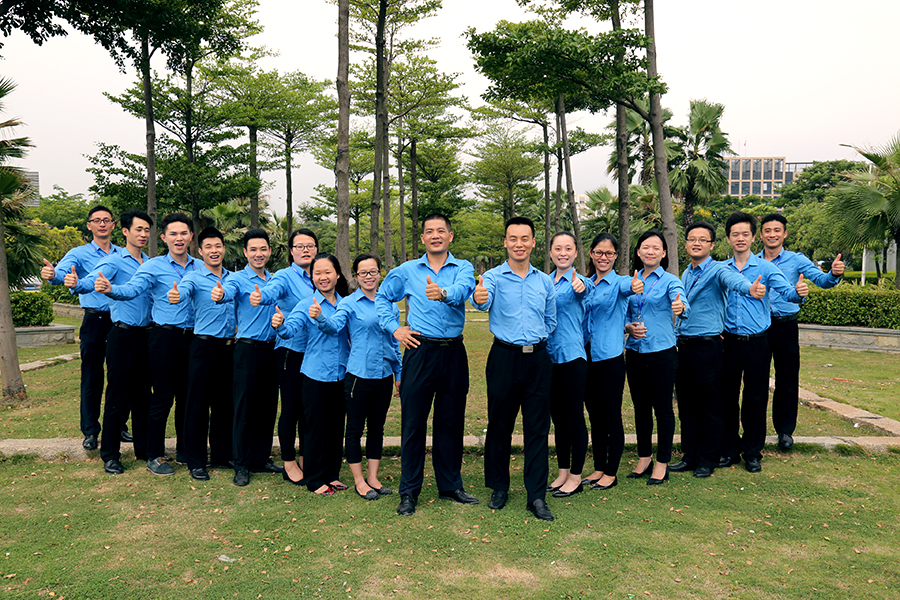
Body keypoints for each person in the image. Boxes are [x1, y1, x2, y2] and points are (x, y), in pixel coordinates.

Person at [375, 214, 477, 517]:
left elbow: (463, 290)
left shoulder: (463, 268)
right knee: (413, 423)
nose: (435, 235)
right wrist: (395, 328)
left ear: (450, 236)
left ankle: (450, 485)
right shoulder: (407, 271)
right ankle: (409, 491)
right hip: (420, 351)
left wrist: (443, 293)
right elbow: (382, 297)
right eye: (429, 231)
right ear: (422, 238)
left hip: (453, 352)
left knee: (450, 422)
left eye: (441, 231)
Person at [97, 212, 197, 476]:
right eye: (173, 233)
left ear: (191, 236)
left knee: (170, 397)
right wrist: (110, 289)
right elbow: (132, 289)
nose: (179, 238)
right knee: (137, 397)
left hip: (182, 338)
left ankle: (167, 450)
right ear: (164, 237)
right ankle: (120, 454)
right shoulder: (152, 266)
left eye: (183, 233)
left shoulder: (199, 267)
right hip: (152, 337)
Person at [473, 216, 557, 521]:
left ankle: (536, 495)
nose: (519, 244)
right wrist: (478, 298)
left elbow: (551, 320)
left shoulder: (544, 281)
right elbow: (482, 301)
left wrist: (537, 340)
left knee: (538, 428)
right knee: (500, 425)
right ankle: (499, 486)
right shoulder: (493, 278)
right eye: (513, 238)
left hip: (538, 359)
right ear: (505, 242)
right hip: (504, 358)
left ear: (533, 242)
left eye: (525, 238)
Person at [672, 222, 762, 478]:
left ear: (712, 245)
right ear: (686, 244)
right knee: (687, 405)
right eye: (692, 239)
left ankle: (708, 458)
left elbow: (734, 281)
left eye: (703, 239)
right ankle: (690, 455)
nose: (696, 243)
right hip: (684, 345)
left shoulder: (718, 269)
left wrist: (749, 288)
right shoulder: (687, 273)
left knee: (709, 405)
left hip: (707, 347)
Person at [67, 209, 152, 473]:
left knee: (143, 396)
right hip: (122, 334)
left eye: (147, 230)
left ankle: (144, 450)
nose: (143, 234)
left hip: (146, 335)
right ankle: (110, 455)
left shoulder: (150, 263)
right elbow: (93, 280)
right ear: (125, 231)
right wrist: (77, 284)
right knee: (117, 394)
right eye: (138, 229)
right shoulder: (114, 261)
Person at [721, 212, 805, 473]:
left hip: (758, 342)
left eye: (745, 234)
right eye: (735, 234)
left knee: (755, 398)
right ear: (728, 238)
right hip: (728, 342)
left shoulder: (766, 268)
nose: (740, 238)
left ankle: (752, 452)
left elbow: (787, 292)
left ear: (753, 237)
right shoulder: (721, 269)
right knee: (727, 397)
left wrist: (798, 293)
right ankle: (729, 449)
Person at [312, 253, 401, 500]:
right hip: (359, 377)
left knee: (377, 428)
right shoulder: (349, 303)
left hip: (384, 375)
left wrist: (399, 372)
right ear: (356, 276)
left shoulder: (391, 304)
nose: (368, 276)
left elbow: (394, 343)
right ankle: (359, 481)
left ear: (380, 273)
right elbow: (333, 327)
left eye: (373, 271)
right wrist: (320, 317)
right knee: (354, 430)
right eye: (363, 272)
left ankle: (373, 478)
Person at [40, 204, 123, 451]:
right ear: (89, 225)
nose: (102, 224)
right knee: (92, 376)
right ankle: (90, 430)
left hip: (120, 321)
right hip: (95, 320)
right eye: (97, 220)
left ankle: (118, 425)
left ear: (113, 225)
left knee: (120, 376)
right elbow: (62, 274)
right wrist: (53, 275)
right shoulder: (79, 253)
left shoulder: (122, 254)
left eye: (106, 220)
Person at [758, 213, 843, 450]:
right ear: (761, 235)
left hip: (785, 326)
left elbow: (822, 281)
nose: (772, 234)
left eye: (777, 230)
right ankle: (756, 432)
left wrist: (834, 274)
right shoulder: (753, 262)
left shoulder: (797, 260)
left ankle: (785, 431)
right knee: (757, 380)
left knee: (787, 378)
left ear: (785, 234)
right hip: (759, 327)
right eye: (767, 230)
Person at [273, 252, 350, 495]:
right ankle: (315, 479)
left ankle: (332, 474)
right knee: (315, 428)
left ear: (338, 275)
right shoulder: (307, 304)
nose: (323, 277)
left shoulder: (346, 303)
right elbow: (290, 330)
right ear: (312, 277)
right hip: (315, 373)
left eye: (328, 272)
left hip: (341, 373)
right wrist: (280, 325)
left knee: (336, 427)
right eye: (317, 273)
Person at [212, 228, 281, 487]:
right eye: (253, 249)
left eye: (263, 249)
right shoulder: (237, 279)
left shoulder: (275, 279)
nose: (258, 254)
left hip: (272, 349)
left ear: (269, 251)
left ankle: (261, 458)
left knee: (267, 407)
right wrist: (220, 295)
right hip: (248, 350)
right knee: (244, 408)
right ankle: (241, 463)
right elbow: (227, 292)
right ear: (245, 252)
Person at [249, 229, 318, 485]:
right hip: (291, 350)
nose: (305, 250)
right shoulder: (284, 276)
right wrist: (261, 296)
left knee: (308, 408)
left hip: (315, 353)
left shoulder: (320, 275)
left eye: (310, 245)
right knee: (291, 408)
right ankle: (289, 462)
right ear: (291, 251)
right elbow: (271, 291)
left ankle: (305, 458)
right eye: (299, 246)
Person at [168, 227, 236, 481]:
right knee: (197, 406)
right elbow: (183, 290)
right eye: (208, 247)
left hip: (230, 349)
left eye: (218, 246)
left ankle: (221, 454)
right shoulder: (194, 277)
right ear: (200, 251)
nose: (214, 251)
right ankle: (195, 461)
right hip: (204, 348)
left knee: (224, 405)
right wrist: (176, 295)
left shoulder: (233, 278)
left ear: (223, 248)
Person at [624, 229, 689, 486]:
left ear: (663, 253)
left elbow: (680, 299)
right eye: (645, 247)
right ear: (638, 252)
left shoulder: (670, 281)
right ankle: (644, 458)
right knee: (640, 408)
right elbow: (625, 313)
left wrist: (680, 306)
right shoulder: (631, 281)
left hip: (662, 353)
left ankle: (662, 462)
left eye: (655, 248)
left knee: (662, 408)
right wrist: (628, 327)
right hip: (635, 353)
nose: (650, 251)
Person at [581, 233, 640, 491]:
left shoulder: (620, 283)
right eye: (599, 252)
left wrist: (636, 285)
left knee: (611, 416)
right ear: (591, 253)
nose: (603, 257)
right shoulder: (585, 283)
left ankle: (611, 472)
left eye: (609, 253)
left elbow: (630, 287)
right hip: (586, 358)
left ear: (616, 256)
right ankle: (598, 467)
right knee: (595, 416)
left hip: (610, 359)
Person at [545, 232, 590, 499]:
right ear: (551, 252)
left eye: (568, 248)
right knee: (558, 420)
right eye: (558, 248)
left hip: (572, 358)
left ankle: (576, 476)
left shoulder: (579, 280)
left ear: (575, 252)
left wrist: (581, 287)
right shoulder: (544, 281)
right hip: (548, 359)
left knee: (573, 418)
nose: (563, 253)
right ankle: (562, 472)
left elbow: (586, 290)